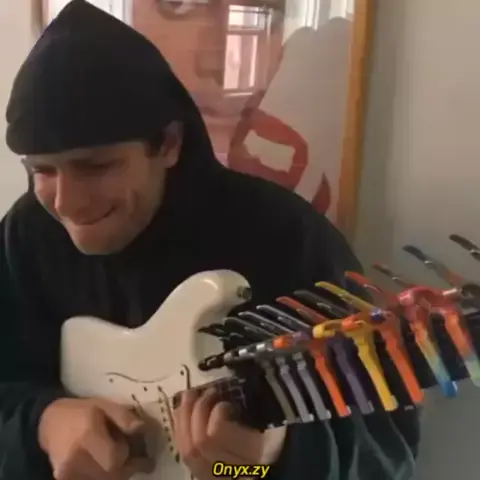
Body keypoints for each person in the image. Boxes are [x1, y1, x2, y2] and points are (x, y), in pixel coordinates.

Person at [0, 1, 419, 479]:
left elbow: (389, 449)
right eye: (43, 171)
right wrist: (42, 423)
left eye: (96, 166)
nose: (67, 203)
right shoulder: (26, 234)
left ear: (169, 144)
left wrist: (270, 463)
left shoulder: (288, 239)